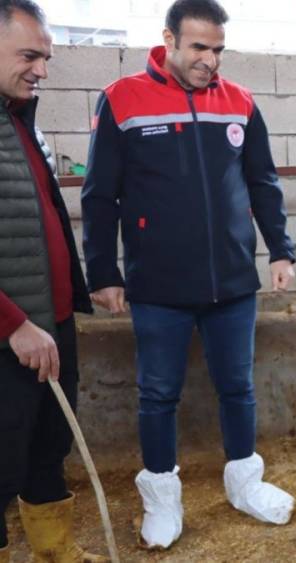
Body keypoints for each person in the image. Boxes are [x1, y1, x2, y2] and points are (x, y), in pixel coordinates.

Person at [81, 0, 296, 549]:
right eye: (199, 47)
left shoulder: (239, 102)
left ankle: (244, 484)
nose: (210, 61)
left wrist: (280, 251)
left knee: (238, 388)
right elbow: (100, 194)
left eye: (218, 49)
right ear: (169, 40)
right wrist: (103, 272)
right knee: (157, 393)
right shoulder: (122, 99)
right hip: (158, 284)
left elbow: (263, 182)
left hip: (231, 280)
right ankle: (161, 498)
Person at [0, 1, 107, 561]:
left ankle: (53, 552)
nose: (41, 69)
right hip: (10, 337)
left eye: (44, 56)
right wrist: (13, 324)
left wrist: (57, 316)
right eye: (29, 55)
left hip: (51, 327)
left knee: (48, 448)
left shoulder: (18, 120)